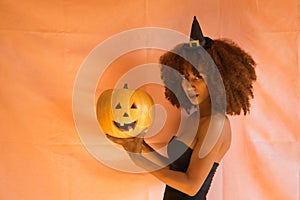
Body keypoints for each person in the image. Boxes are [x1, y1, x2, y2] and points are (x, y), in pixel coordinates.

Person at [107, 16, 257, 199]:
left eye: (197, 77)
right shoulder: (195, 118)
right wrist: (138, 146)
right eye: (184, 76)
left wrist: (140, 161)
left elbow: (191, 186)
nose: (189, 84)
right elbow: (173, 169)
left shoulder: (215, 123)